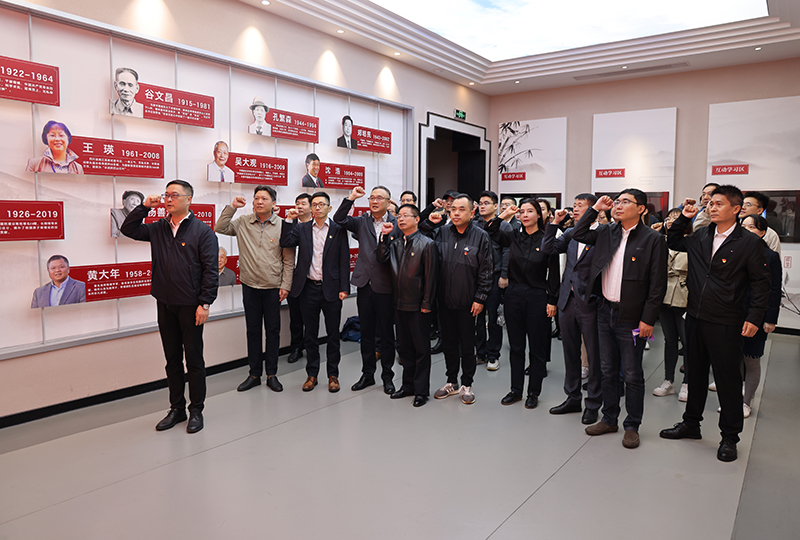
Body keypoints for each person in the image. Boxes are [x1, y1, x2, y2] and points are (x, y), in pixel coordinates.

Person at [659, 186, 770, 462]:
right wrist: (684, 217)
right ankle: (691, 424)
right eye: (710, 203)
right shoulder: (701, 235)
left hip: (727, 320)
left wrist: (755, 317)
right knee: (695, 374)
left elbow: (761, 284)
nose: (712, 207)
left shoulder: (749, 242)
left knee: (727, 380)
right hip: (696, 317)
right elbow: (674, 240)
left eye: (719, 203)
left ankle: (730, 437)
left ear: (736, 209)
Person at [121, 180, 219, 434]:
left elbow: (210, 271)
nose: (168, 199)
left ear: (189, 199)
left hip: (191, 306)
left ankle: (196, 410)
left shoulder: (202, 232)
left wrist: (205, 303)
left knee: (194, 360)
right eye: (166, 195)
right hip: (165, 303)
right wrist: (144, 207)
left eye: (174, 195)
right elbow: (128, 229)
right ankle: (177, 408)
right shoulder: (158, 228)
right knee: (172, 360)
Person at [572, 189, 667, 450]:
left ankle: (632, 425)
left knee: (633, 374)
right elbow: (578, 233)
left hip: (634, 318)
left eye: (626, 202)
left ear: (641, 208)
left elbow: (658, 284)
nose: (619, 205)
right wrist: (595, 209)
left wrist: (648, 319)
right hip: (605, 311)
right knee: (607, 369)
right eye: (617, 201)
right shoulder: (607, 232)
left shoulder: (653, 239)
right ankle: (609, 418)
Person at [215, 186, 294, 393]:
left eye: (264, 198)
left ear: (273, 203)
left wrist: (285, 285)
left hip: (272, 287)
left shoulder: (283, 225)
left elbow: (288, 259)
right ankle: (254, 374)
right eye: (256, 198)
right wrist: (232, 207)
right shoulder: (243, 222)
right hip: (250, 286)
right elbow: (220, 227)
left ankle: (272, 374)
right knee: (253, 331)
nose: (259, 202)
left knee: (273, 331)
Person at [488, 198, 559, 409]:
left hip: (538, 296)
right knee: (516, 347)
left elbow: (554, 274)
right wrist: (505, 214)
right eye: (522, 211)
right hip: (513, 294)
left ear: (539, 215)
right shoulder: (513, 236)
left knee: (537, 348)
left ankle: (533, 392)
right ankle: (516, 390)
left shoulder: (547, 239)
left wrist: (552, 300)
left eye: (530, 211)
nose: (525, 215)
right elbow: (490, 230)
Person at [425, 194, 492, 405]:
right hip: (444, 300)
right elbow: (420, 237)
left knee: (467, 344)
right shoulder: (441, 232)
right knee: (449, 343)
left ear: (472, 212)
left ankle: (467, 384)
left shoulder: (481, 236)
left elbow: (486, 270)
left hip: (469, 301)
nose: (456, 213)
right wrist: (430, 222)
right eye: (453, 209)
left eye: (461, 209)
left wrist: (480, 297)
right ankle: (451, 381)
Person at [541, 194, 603, 425]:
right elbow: (548, 248)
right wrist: (554, 223)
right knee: (569, 352)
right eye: (574, 205)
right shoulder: (570, 232)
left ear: (593, 209)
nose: (575, 209)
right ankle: (573, 397)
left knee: (594, 356)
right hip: (567, 300)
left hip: (591, 301)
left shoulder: (603, 233)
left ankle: (593, 403)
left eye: (580, 206)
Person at [280, 192, 350, 393]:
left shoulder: (337, 229)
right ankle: (312, 375)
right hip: (308, 288)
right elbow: (286, 242)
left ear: (329, 208)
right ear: (311, 208)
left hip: (332, 289)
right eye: (315, 204)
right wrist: (289, 220)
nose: (318, 207)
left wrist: (344, 288)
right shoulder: (301, 228)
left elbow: (344, 260)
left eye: (322, 204)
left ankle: (333, 375)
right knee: (310, 335)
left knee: (333, 334)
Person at [334, 186, 399, 394]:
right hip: (364, 284)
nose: (374, 201)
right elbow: (339, 219)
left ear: (388, 202)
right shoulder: (362, 221)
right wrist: (352, 197)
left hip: (386, 284)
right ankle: (368, 374)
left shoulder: (397, 224)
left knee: (386, 334)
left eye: (379, 198)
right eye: (372, 198)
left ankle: (387, 376)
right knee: (367, 333)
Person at [377, 204, 438, 407]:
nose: (401, 219)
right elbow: (382, 257)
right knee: (404, 349)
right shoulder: (395, 243)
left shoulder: (427, 244)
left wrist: (427, 303)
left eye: (405, 216)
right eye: (399, 216)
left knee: (421, 350)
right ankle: (408, 386)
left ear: (417, 219)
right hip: (399, 303)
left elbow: (431, 277)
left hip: (419, 305)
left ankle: (421, 391)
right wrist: (384, 237)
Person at [739, 214, 782, 418]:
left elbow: (774, 290)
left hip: (756, 315)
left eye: (752, 227)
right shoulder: (734, 251)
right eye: (743, 226)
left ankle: (746, 402)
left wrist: (770, 319)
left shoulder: (770, 256)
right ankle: (734, 399)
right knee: (734, 359)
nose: (746, 230)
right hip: (733, 314)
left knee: (751, 359)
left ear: (762, 232)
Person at [651, 209, 690, 402]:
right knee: (669, 340)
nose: (671, 221)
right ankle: (669, 381)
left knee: (688, 343)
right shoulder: (660, 242)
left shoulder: (692, 242)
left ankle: (687, 383)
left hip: (686, 298)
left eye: (676, 218)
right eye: (669, 218)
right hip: (664, 296)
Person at [473, 190, 511, 371]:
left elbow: (507, 251)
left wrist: (504, 275)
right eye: (480, 203)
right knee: (477, 318)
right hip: (476, 278)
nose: (482, 206)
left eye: (486, 203)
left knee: (494, 318)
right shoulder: (474, 224)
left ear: (496, 206)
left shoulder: (504, 226)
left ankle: (493, 355)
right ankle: (480, 353)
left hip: (495, 277)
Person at [287, 193, 312, 364]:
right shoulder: (291, 225)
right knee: (295, 316)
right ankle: (296, 348)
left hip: (311, 277)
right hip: (293, 277)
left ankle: (311, 347)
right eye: (297, 203)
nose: (300, 206)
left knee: (310, 317)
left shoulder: (317, 226)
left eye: (303, 203)